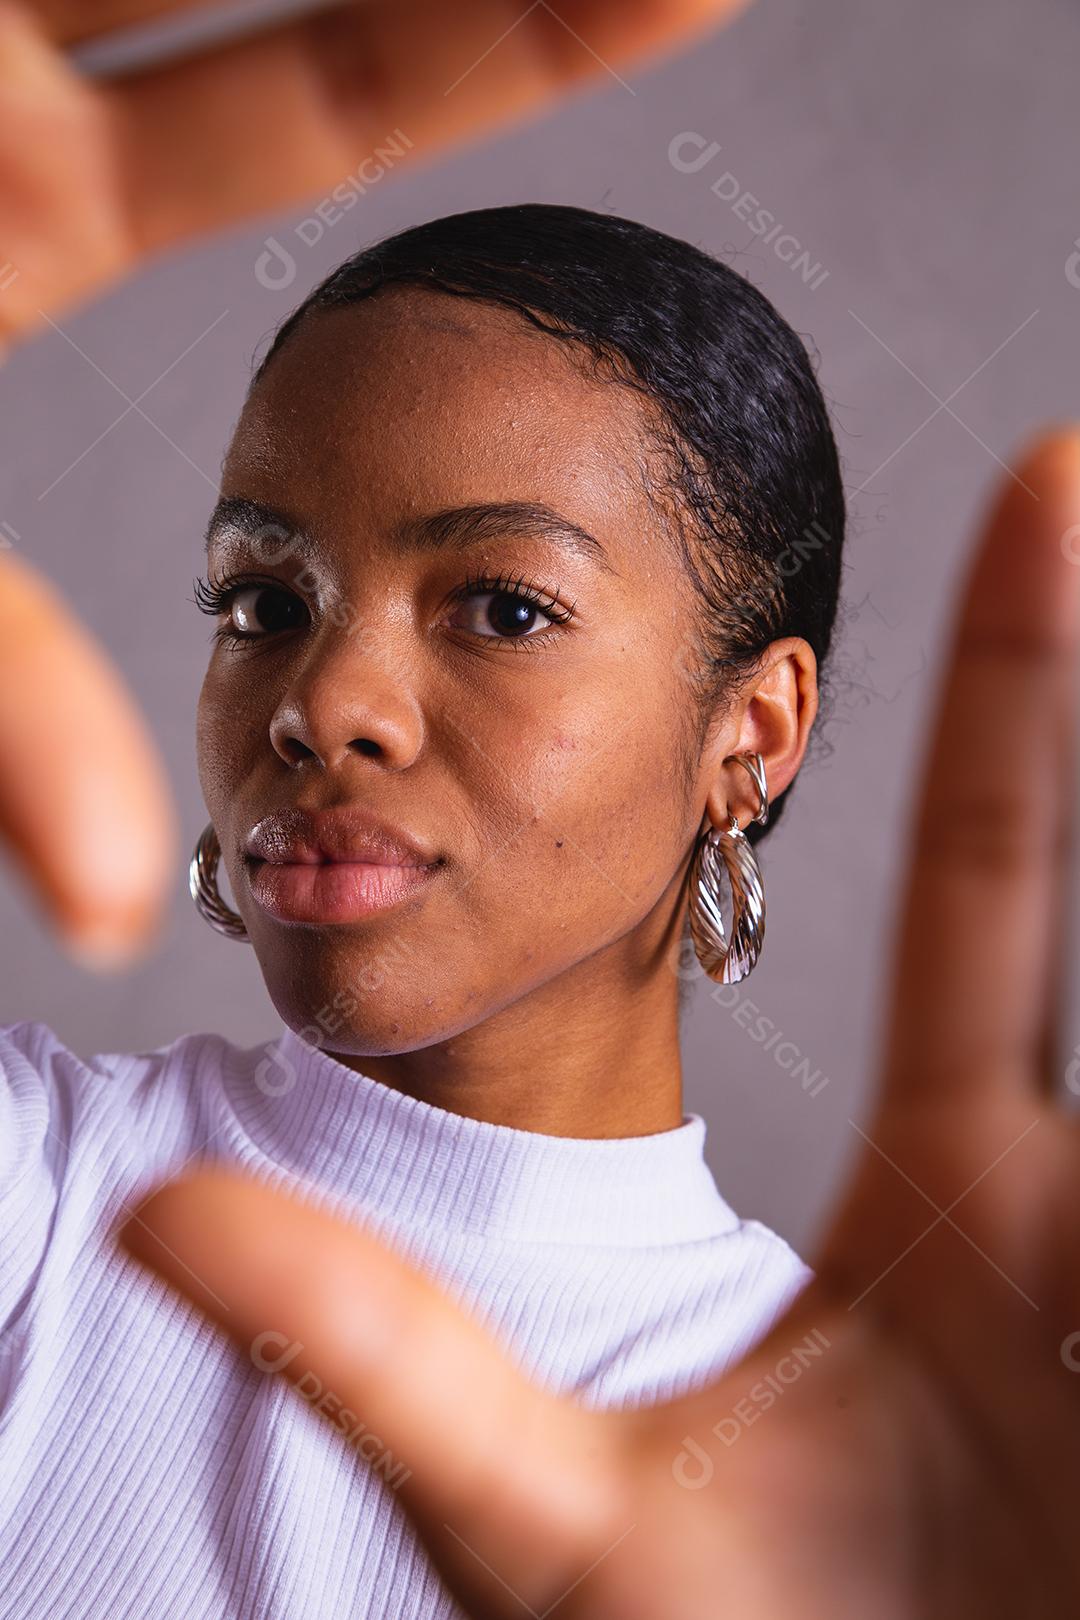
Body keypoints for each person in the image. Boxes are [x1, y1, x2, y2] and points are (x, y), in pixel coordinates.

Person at [1, 6, 1078, 1619]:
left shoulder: (857, 1448)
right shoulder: (38, 1190)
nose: (323, 703)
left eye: (502, 608)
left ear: (750, 735)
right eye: (262, 598)